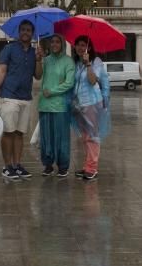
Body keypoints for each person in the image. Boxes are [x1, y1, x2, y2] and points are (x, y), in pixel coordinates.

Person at [0, 19, 43, 180]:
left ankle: (17, 165)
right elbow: (1, 72)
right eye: (23, 30)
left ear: (32, 34)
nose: (25, 32)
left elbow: (38, 75)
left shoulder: (34, 52)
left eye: (28, 30)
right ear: (19, 32)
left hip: (26, 98)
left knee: (19, 134)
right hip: (8, 96)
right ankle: (7, 166)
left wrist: (39, 60)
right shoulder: (9, 49)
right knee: (8, 132)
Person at [71, 35, 110, 181]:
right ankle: (87, 165)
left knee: (93, 137)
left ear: (89, 48)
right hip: (79, 105)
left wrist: (88, 65)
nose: (80, 48)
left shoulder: (96, 62)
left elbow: (93, 81)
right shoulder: (77, 63)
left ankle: (92, 167)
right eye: (78, 45)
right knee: (85, 137)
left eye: (83, 45)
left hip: (92, 103)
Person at [37, 34, 75, 178]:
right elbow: (38, 75)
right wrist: (38, 60)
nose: (54, 44)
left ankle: (63, 166)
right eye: (52, 42)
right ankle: (47, 164)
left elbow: (69, 83)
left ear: (62, 44)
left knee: (61, 137)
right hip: (44, 105)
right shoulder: (46, 60)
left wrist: (52, 91)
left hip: (60, 105)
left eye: (57, 42)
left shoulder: (68, 62)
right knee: (46, 137)